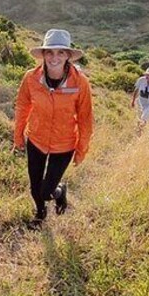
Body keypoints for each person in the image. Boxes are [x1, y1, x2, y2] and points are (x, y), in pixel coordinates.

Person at [13, 29, 93, 227]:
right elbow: (22, 107)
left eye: (60, 52)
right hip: (36, 139)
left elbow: (85, 118)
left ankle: (59, 192)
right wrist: (18, 137)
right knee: (34, 188)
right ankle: (40, 215)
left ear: (68, 56)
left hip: (64, 144)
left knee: (46, 191)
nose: (54, 57)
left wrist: (81, 149)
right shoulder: (31, 78)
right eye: (50, 52)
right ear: (43, 55)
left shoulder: (80, 82)